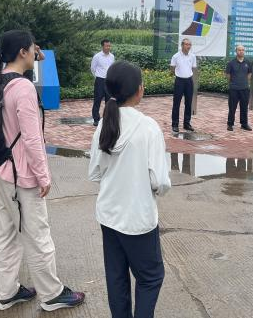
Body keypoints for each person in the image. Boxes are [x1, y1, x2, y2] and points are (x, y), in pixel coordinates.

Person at [0, 30, 85, 312]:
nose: (34, 53)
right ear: (22, 52)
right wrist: (44, 175)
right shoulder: (24, 88)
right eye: (31, 49)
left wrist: (34, 57)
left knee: (7, 232)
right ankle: (51, 294)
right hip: (21, 175)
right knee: (38, 233)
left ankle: (7, 292)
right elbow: (32, 138)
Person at [89, 60, 171, 318]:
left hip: (109, 215)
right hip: (138, 219)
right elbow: (160, 182)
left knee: (116, 278)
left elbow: (94, 173)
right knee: (150, 277)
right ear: (139, 90)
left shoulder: (104, 124)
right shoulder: (148, 127)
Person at [170, 38, 197, 133]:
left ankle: (187, 124)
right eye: (186, 44)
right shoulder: (176, 56)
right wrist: (178, 73)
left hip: (189, 81)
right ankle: (175, 124)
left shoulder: (193, 56)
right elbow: (172, 68)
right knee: (176, 103)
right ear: (182, 45)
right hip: (179, 81)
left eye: (190, 45)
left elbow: (193, 68)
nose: (188, 46)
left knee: (188, 103)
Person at [225, 45, 253, 131]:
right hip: (234, 89)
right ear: (236, 51)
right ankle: (230, 124)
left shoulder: (248, 62)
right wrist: (234, 82)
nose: (241, 51)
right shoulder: (231, 63)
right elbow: (228, 75)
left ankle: (244, 124)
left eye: (242, 50)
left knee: (244, 107)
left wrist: (245, 82)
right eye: (239, 50)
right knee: (232, 107)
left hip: (244, 89)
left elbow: (249, 73)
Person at [90, 39, 115, 126]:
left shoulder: (112, 56)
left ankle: (107, 119)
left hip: (109, 81)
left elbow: (112, 68)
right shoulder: (97, 56)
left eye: (109, 46)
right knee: (97, 100)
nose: (108, 47)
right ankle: (96, 119)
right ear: (102, 46)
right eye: (106, 46)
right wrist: (97, 77)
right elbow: (93, 68)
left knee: (109, 101)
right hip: (100, 80)